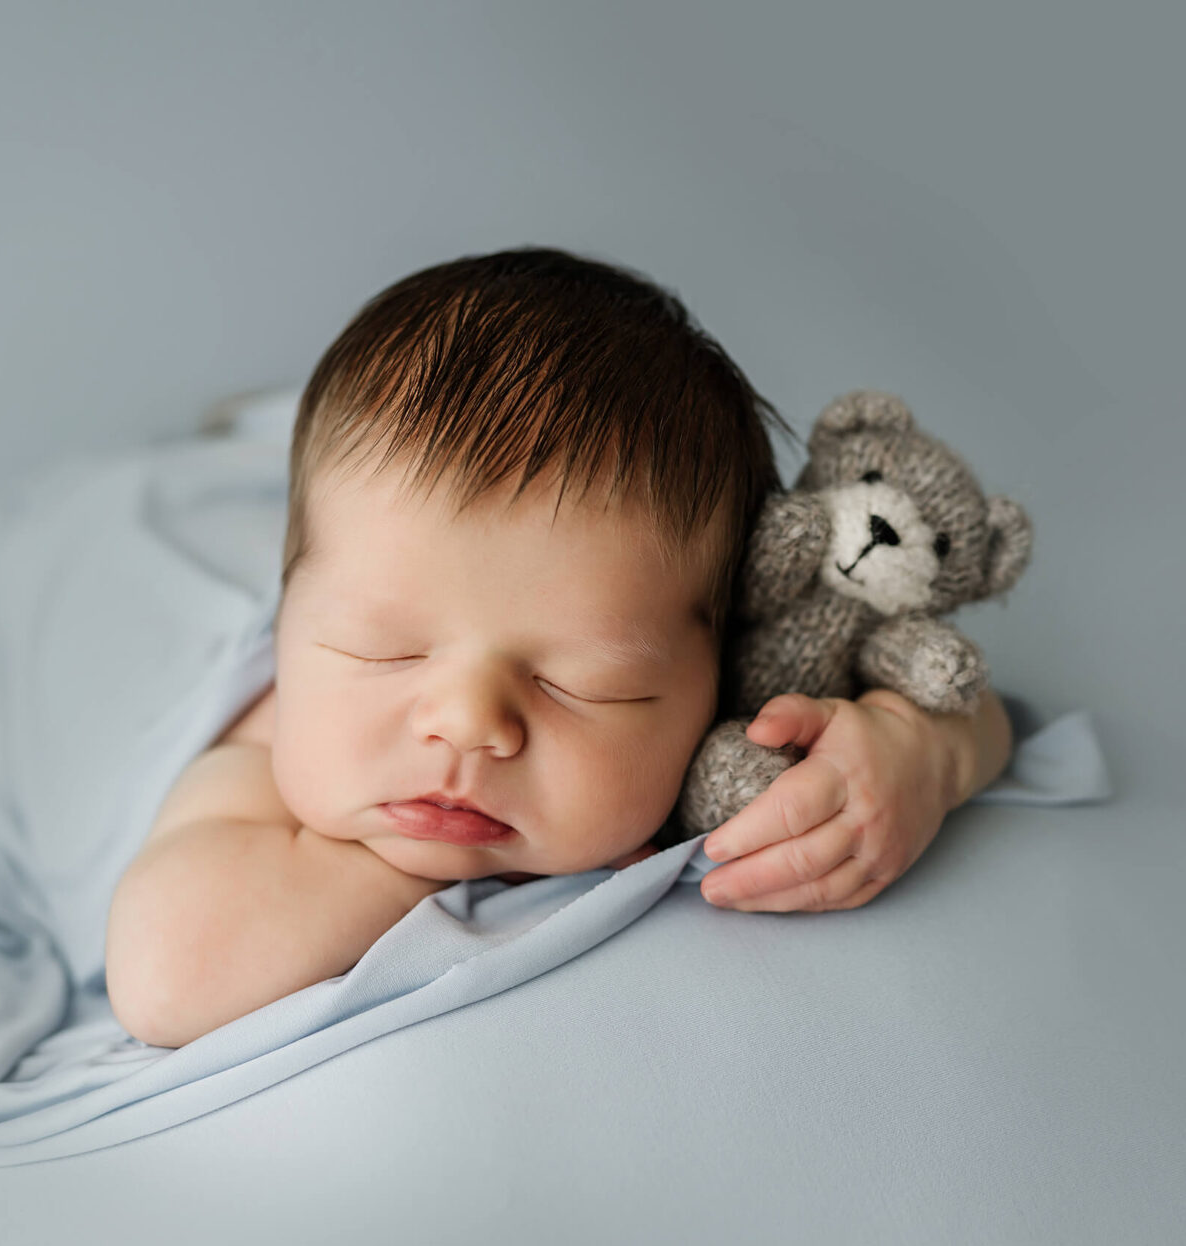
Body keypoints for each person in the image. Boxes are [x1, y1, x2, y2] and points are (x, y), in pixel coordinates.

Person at [104, 246, 1013, 1048]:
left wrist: (916, 750)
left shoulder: (730, 681)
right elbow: (168, 981)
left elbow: (978, 705)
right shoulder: (268, 741)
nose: (467, 723)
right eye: (387, 650)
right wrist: (413, 867)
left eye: (579, 682)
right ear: (292, 625)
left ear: (718, 666)